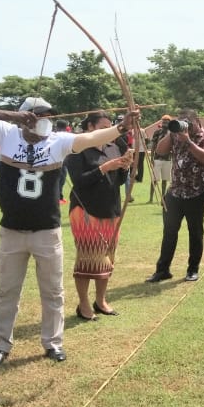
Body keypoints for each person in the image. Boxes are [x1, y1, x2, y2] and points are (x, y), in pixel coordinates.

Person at [0, 99, 139, 366]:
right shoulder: (6, 132)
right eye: (40, 116)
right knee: (7, 292)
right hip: (12, 229)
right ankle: (1, 344)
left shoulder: (57, 141)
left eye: (49, 116)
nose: (45, 121)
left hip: (47, 231)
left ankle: (53, 343)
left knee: (53, 291)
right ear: (26, 117)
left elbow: (91, 137)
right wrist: (14, 116)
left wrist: (121, 127)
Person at [64, 110, 133, 324]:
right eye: (103, 128)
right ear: (90, 127)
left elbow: (118, 181)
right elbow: (79, 181)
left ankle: (101, 300)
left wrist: (124, 167)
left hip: (111, 210)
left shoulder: (113, 147)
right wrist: (104, 168)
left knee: (107, 258)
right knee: (88, 257)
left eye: (109, 127)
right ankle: (83, 304)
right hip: (85, 210)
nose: (108, 131)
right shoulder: (78, 148)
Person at [145, 110, 204, 284]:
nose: (186, 127)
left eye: (188, 123)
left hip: (197, 192)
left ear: (197, 121)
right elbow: (160, 151)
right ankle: (162, 270)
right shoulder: (175, 136)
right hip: (175, 191)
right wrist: (171, 133)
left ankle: (193, 270)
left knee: (195, 232)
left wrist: (189, 142)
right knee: (169, 232)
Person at [149, 115, 173, 203]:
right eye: (163, 122)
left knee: (164, 180)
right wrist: (152, 158)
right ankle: (151, 198)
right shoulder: (157, 132)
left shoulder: (172, 134)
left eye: (167, 122)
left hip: (167, 159)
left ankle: (163, 198)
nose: (165, 124)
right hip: (157, 159)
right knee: (154, 179)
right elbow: (153, 146)